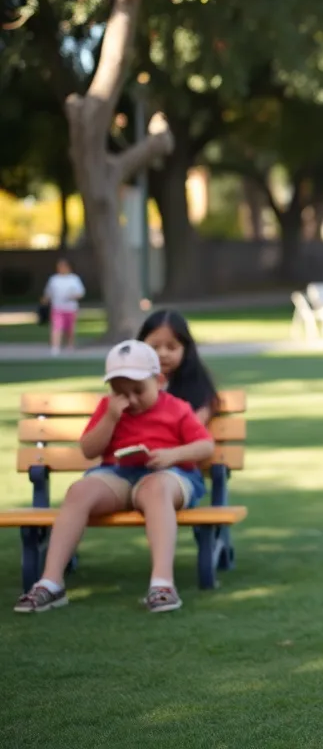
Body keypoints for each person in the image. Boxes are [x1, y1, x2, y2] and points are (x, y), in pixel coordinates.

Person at [13, 340, 216, 614]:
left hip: (169, 475)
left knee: (155, 489)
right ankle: (51, 582)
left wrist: (173, 455)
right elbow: (89, 450)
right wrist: (109, 418)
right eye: (120, 392)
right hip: (118, 474)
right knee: (79, 491)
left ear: (158, 381)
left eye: (138, 390)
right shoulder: (109, 408)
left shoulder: (177, 408)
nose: (130, 400)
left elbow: (205, 446)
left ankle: (162, 584)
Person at [137, 309, 220, 423]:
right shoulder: (130, 387)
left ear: (186, 350)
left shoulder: (199, 392)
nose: (162, 354)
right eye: (154, 347)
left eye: (171, 347)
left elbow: (194, 426)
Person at [42, 258, 85, 355]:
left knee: (70, 329)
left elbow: (81, 293)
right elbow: (48, 292)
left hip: (70, 308)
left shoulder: (74, 279)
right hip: (57, 307)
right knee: (56, 327)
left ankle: (70, 345)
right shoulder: (54, 279)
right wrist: (45, 300)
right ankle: (55, 346)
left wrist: (72, 296)